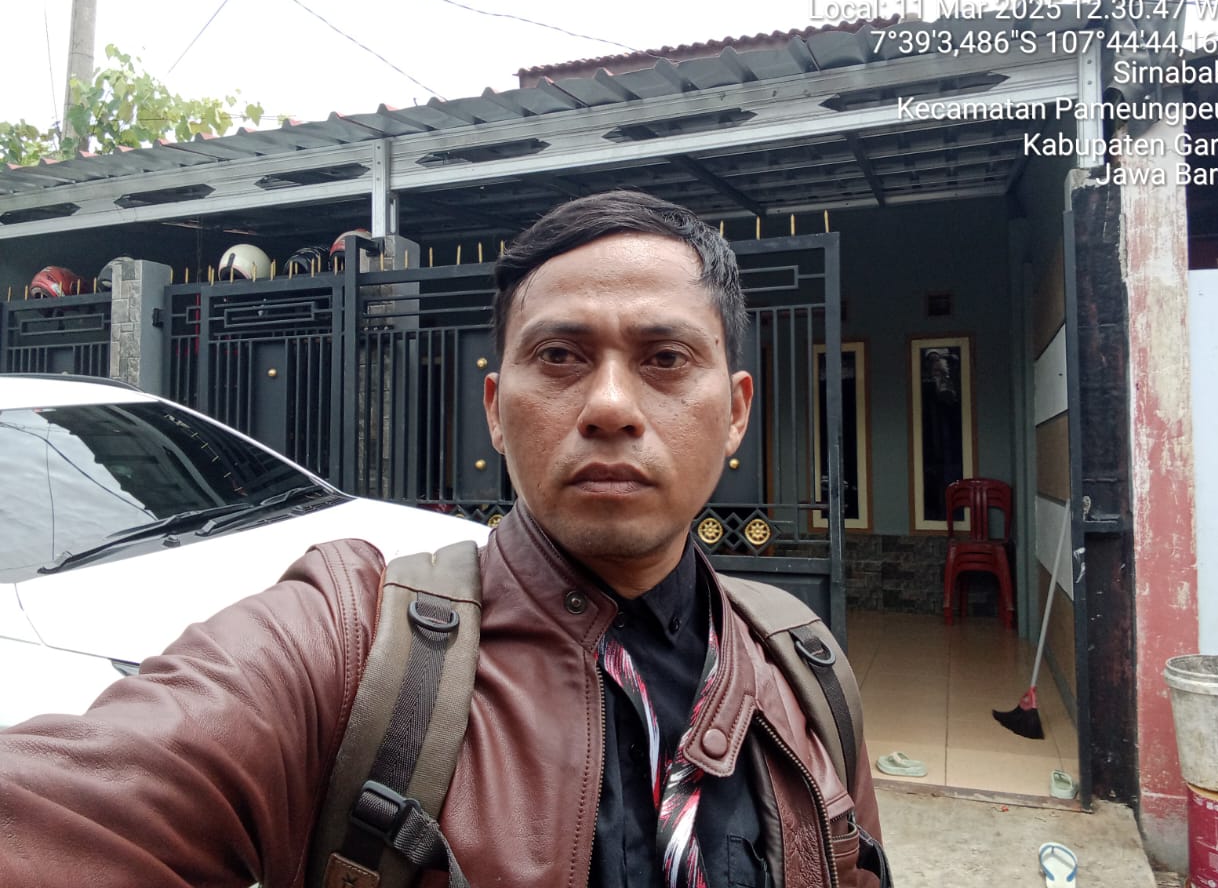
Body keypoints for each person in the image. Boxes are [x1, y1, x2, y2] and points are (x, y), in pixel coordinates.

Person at [0, 190, 888, 887]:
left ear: (735, 413)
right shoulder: (353, 647)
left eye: (665, 359)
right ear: (496, 411)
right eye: (560, 357)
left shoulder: (802, 672)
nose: (612, 406)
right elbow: (64, 813)